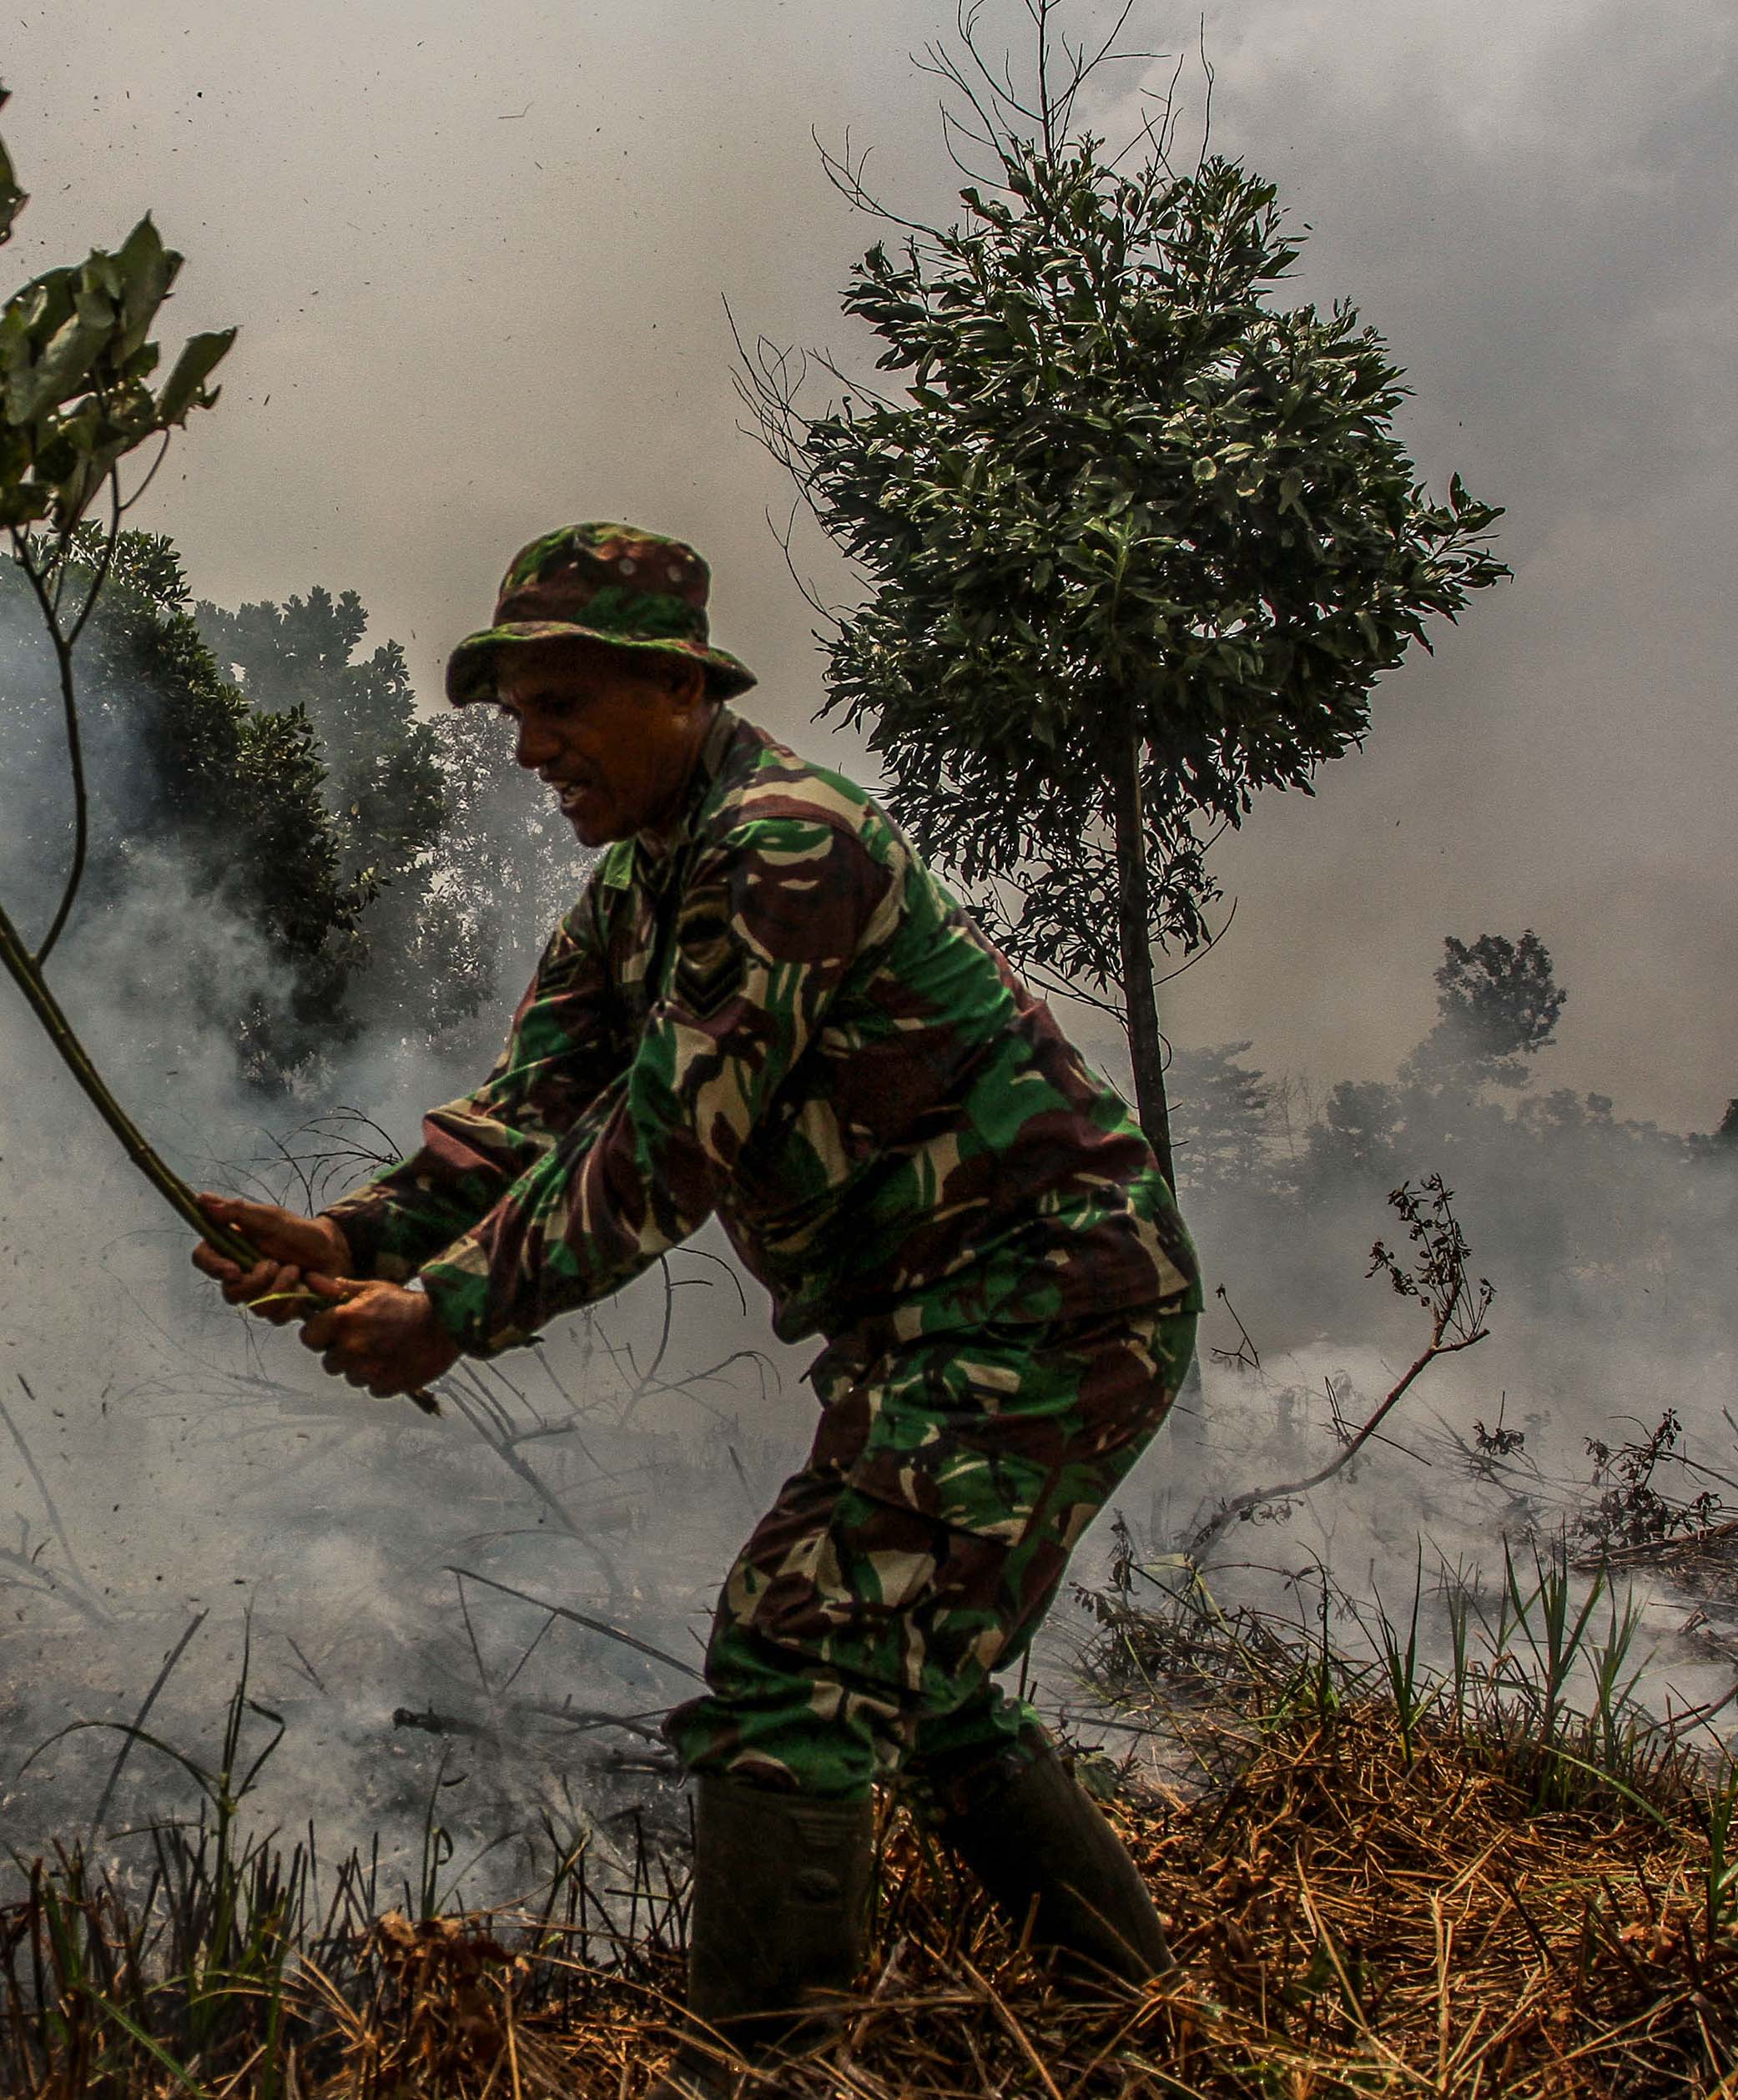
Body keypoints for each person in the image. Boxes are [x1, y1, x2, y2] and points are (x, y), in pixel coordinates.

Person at [190, 522, 1199, 2057]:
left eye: (562, 705)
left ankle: (764, 2073)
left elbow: (666, 1143)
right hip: (936, 1320)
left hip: (1049, 1296)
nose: (531, 749)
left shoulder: (786, 844)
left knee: (799, 1654)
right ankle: (1136, 2015)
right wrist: (357, 1243)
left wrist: (447, 1312)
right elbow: (529, 1113)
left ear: (679, 686)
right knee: (919, 1684)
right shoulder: (636, 893)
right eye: (517, 714)